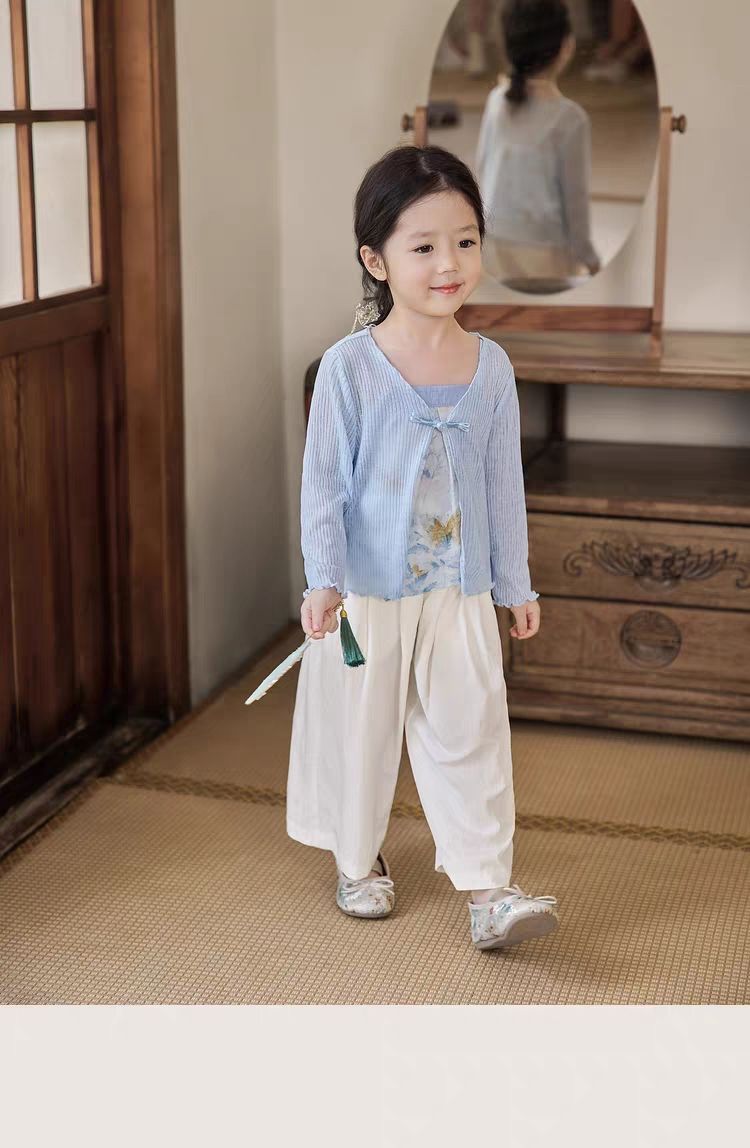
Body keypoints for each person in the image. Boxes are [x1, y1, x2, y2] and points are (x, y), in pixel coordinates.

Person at [286, 144, 560, 952]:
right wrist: (323, 579)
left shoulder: (492, 367)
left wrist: (515, 584)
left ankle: (489, 889)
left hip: (459, 590)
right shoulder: (349, 369)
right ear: (376, 260)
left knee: (472, 731)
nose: (450, 264)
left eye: (466, 241)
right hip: (367, 595)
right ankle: (356, 860)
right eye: (425, 246)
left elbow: (503, 485)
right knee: (361, 734)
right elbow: (323, 487)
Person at [476, 0, 600, 285]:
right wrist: (589, 258)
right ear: (566, 46)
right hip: (545, 251)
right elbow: (575, 202)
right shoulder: (571, 118)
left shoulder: (496, 99)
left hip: (492, 244)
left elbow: (482, 168)